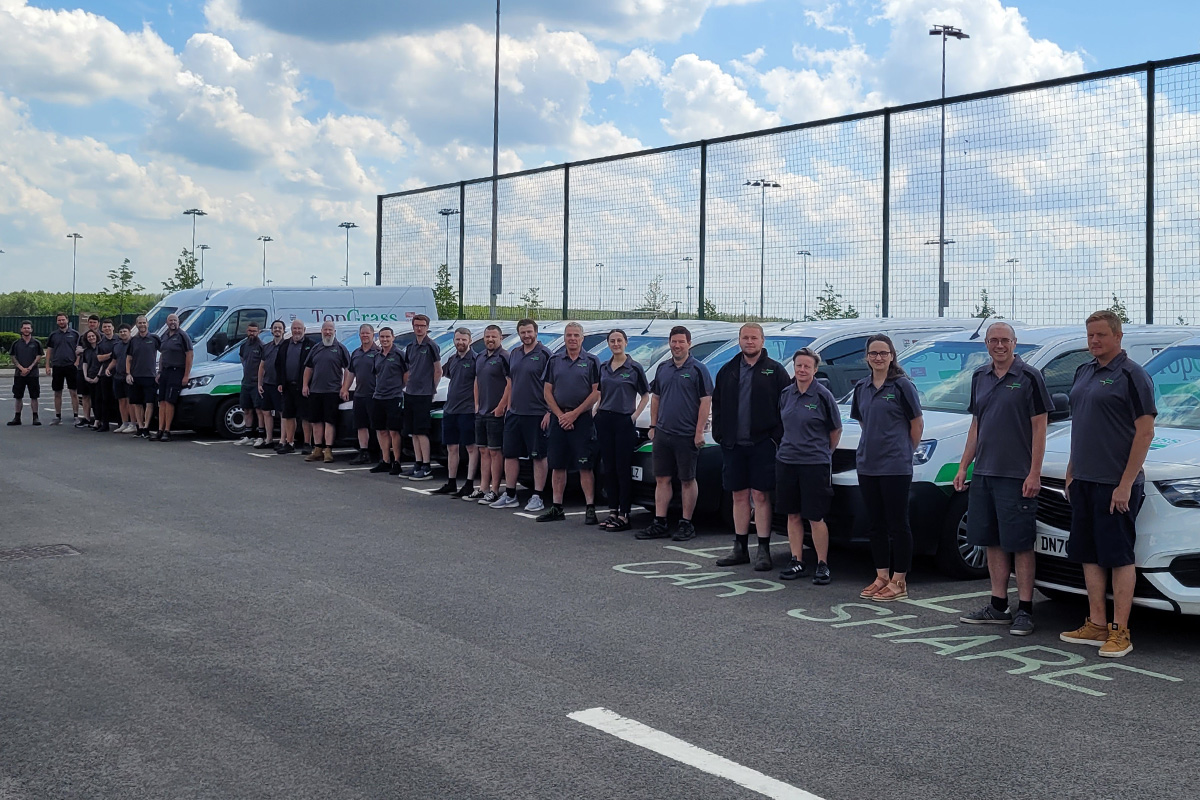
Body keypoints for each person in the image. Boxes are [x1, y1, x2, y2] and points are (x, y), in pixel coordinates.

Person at [1058, 310, 1156, 658]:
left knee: (1118, 557)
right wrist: (1072, 470)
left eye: (1101, 335)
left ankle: (1120, 631)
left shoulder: (1133, 376)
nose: (1094, 341)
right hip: (1083, 481)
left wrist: (1126, 483)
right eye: (1090, 336)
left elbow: (1145, 432)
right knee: (1088, 554)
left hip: (1115, 485)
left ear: (1118, 336)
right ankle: (1096, 624)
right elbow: (1081, 425)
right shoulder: (1084, 372)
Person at [954, 323, 1052, 636]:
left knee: (1020, 544)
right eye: (994, 340)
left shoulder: (1029, 377)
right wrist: (963, 466)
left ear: (1014, 343)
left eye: (1005, 340)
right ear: (986, 344)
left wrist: (1034, 471)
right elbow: (976, 425)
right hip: (984, 473)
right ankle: (998, 606)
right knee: (992, 541)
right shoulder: (979, 377)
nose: (999, 345)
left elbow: (1040, 427)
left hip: (1017, 476)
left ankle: (1025, 609)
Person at [711, 323, 791, 569]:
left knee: (761, 496)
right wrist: (721, 435)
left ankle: (764, 550)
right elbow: (718, 404)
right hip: (734, 445)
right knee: (738, 495)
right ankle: (740, 548)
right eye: (745, 337)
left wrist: (774, 438)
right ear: (739, 341)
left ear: (762, 341)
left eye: (754, 338)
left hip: (763, 444)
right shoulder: (728, 370)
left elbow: (786, 407)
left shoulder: (775, 371)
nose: (749, 342)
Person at [852, 334, 923, 602]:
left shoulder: (902, 386)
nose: (878, 358)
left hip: (896, 466)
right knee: (876, 524)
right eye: (873, 353)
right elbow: (863, 423)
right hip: (868, 464)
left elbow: (916, 424)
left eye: (883, 353)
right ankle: (882, 576)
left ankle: (899, 581)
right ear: (867, 357)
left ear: (892, 356)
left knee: (898, 524)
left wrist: (904, 451)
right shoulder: (862, 387)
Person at [638, 326, 714, 542]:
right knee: (662, 478)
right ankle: (660, 521)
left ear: (689, 344)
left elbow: (705, 401)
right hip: (663, 434)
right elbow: (656, 398)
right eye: (674, 341)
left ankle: (686, 523)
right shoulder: (663, 368)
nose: (677, 345)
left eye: (681, 342)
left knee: (687, 479)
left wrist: (699, 431)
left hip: (686, 435)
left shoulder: (698, 369)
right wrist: (653, 426)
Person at [775, 348, 842, 584]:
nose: (802, 370)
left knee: (815, 516)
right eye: (798, 366)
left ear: (815, 369)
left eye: (807, 366)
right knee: (793, 514)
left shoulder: (823, 396)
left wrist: (824, 453)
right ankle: (797, 560)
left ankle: (822, 564)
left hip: (814, 463)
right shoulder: (786, 394)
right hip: (787, 461)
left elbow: (835, 430)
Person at [537, 322, 602, 523]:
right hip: (559, 419)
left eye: (576, 335)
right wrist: (560, 415)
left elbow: (597, 391)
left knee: (585, 466)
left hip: (581, 420)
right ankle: (557, 507)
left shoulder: (591, 361)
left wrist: (574, 414)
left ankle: (590, 508)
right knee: (557, 465)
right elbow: (547, 391)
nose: (572, 338)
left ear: (582, 338)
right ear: (564, 338)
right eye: (568, 335)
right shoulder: (555, 360)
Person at [594, 329, 650, 532]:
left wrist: (634, 416)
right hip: (605, 419)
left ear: (626, 343)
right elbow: (601, 392)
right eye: (612, 341)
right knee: (608, 468)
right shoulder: (603, 367)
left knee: (622, 468)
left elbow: (645, 395)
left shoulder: (634, 368)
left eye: (619, 340)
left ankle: (625, 514)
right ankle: (612, 511)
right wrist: (596, 410)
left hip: (624, 421)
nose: (615, 344)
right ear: (608, 343)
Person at [494, 319, 552, 510]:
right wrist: (509, 407)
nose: (526, 336)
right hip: (515, 413)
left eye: (529, 332)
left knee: (538, 456)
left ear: (536, 332)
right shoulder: (515, 354)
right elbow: (511, 382)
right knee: (510, 455)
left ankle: (538, 496)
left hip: (537, 414)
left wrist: (549, 412)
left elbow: (553, 386)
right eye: (523, 332)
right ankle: (510, 494)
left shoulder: (545, 355)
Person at [434, 327, 480, 496]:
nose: (460, 342)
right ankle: (451, 482)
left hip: (467, 410)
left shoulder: (476, 360)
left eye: (463, 340)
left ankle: (469, 483)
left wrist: (476, 405)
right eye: (457, 339)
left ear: (470, 341)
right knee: (451, 447)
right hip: (450, 410)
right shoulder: (452, 359)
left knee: (470, 447)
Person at [470, 325, 510, 503]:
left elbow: (511, 383)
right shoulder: (480, 357)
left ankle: (494, 489)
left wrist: (501, 406)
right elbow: (477, 380)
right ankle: (483, 487)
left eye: (494, 336)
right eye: (487, 336)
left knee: (495, 452)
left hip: (496, 413)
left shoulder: (504, 357)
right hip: (482, 411)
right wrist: (477, 404)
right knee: (483, 451)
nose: (490, 339)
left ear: (500, 338)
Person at [302, 320, 350, 463]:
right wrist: (305, 385)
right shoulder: (316, 348)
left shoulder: (340, 348)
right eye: (325, 330)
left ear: (334, 332)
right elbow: (308, 368)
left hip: (332, 391)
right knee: (316, 421)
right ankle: (317, 449)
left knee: (330, 421)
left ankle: (328, 450)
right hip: (315, 391)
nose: (328, 332)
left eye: (330, 330)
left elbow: (348, 369)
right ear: (322, 331)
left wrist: (344, 387)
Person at [401, 314, 442, 480]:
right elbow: (409, 369)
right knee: (413, 432)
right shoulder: (411, 347)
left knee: (422, 431)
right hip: (410, 393)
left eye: (422, 325)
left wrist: (432, 389)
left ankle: (426, 466)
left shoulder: (431, 346)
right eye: (417, 325)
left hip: (424, 394)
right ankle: (417, 463)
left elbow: (438, 370)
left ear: (427, 327)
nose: (419, 328)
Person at [368, 326, 407, 475]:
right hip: (378, 397)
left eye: (387, 337)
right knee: (381, 430)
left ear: (393, 338)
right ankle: (385, 460)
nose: (384, 340)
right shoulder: (377, 355)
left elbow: (406, 375)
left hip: (394, 397)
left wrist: (399, 388)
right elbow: (377, 374)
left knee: (394, 431)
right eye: (382, 337)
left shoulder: (399, 355)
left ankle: (397, 461)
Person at [275, 319, 314, 455]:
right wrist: (280, 382)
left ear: (304, 330)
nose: (297, 331)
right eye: (294, 328)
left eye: (299, 328)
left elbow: (312, 367)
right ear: (291, 330)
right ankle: (290, 443)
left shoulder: (311, 345)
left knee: (305, 416)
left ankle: (307, 443)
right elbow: (278, 365)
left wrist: (307, 384)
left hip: (303, 387)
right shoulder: (285, 344)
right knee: (288, 415)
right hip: (287, 387)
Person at [155, 313, 193, 442]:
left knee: (170, 401)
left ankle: (167, 430)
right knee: (162, 401)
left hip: (177, 371)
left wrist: (186, 375)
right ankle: (160, 430)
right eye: (170, 320)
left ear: (179, 322)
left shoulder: (183, 336)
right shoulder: (164, 336)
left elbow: (189, 355)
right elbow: (162, 355)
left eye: (175, 320)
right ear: (167, 322)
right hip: (165, 371)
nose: (173, 322)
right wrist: (159, 372)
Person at [345, 323, 379, 465]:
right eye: (362, 333)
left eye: (367, 333)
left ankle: (377, 453)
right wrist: (345, 388)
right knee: (361, 425)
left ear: (373, 335)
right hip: (359, 394)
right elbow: (351, 372)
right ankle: (363, 452)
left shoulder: (378, 353)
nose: (365, 336)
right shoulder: (356, 353)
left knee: (375, 426)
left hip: (375, 394)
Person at [125, 315, 160, 439]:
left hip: (150, 376)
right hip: (135, 376)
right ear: (137, 324)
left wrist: (159, 371)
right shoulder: (133, 340)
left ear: (147, 324)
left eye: (144, 323)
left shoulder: (155, 339)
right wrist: (128, 374)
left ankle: (146, 428)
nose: (142, 325)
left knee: (149, 403)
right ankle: (140, 428)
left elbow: (163, 354)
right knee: (137, 403)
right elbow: (128, 359)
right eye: (139, 323)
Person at [45, 312, 80, 425]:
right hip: (57, 366)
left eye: (63, 320)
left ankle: (76, 416)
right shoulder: (53, 335)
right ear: (57, 322)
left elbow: (79, 350)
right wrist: (47, 365)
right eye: (59, 320)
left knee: (73, 392)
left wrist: (77, 362)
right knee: (57, 393)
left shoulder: (75, 334)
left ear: (67, 320)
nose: (61, 322)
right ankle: (58, 416)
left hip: (71, 366)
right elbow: (49, 350)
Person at [9, 320, 45, 426]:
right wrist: (21, 368)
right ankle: (17, 418)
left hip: (33, 374)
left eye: (28, 328)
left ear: (31, 329)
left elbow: (39, 356)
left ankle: (35, 417)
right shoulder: (16, 344)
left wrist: (29, 368)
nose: (26, 330)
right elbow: (13, 357)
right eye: (24, 328)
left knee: (34, 396)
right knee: (18, 396)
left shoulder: (36, 343)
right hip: (19, 374)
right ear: (21, 329)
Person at [257, 320, 286, 450]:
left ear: (284, 330)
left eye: (280, 328)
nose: (277, 330)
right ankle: (269, 439)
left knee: (282, 412)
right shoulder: (267, 347)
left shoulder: (286, 346)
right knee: (266, 411)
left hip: (279, 385)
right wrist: (259, 383)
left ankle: (282, 440)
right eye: (275, 328)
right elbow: (262, 366)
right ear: (271, 330)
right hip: (267, 383)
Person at [236, 322, 266, 446]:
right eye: (249, 331)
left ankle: (261, 436)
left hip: (256, 383)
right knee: (246, 410)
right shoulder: (244, 346)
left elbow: (264, 365)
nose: (251, 333)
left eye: (254, 331)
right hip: (246, 383)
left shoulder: (261, 346)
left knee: (259, 410)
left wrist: (260, 382)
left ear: (258, 332)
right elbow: (242, 359)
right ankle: (248, 435)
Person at [109, 324, 133, 433]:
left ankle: (133, 424)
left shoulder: (134, 344)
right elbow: (114, 360)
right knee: (121, 401)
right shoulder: (117, 345)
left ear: (129, 332)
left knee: (130, 401)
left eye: (125, 331)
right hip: (118, 376)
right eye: (121, 332)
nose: (123, 333)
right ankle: (124, 423)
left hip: (129, 376)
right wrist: (108, 369)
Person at [93, 319, 117, 430]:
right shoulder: (101, 343)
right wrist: (112, 355)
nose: (107, 328)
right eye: (105, 327)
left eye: (109, 326)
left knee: (118, 399)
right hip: (104, 374)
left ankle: (121, 423)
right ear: (102, 329)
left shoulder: (119, 339)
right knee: (105, 399)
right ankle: (105, 424)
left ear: (113, 327)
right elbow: (99, 358)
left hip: (119, 373)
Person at [77, 330, 102, 427]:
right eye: (89, 337)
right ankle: (95, 420)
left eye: (93, 336)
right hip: (90, 377)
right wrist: (85, 376)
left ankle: (99, 420)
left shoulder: (100, 348)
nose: (91, 338)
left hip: (99, 377)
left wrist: (98, 376)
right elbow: (85, 363)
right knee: (93, 399)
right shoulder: (86, 350)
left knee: (99, 399)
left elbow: (103, 364)